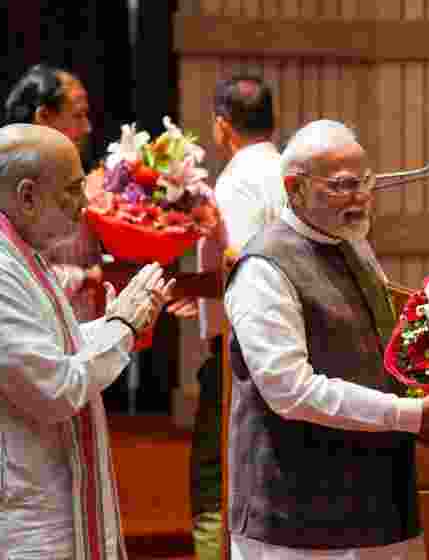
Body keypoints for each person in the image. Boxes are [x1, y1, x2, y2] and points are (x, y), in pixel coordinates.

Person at [224, 119, 429, 559]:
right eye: (341, 186)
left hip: (381, 500)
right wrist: (410, 413)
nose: (360, 197)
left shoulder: (351, 241)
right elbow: (290, 392)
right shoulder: (263, 267)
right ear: (294, 188)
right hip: (297, 514)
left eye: (364, 182)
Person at [0, 123, 172, 559]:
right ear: (27, 195)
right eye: (72, 190)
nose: (85, 203)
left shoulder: (20, 251)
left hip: (41, 494)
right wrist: (121, 330)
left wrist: (119, 323)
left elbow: (55, 348)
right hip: (26, 513)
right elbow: (55, 387)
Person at [166, 73, 287, 560]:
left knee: (216, 478)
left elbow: (242, 268)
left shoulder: (237, 178)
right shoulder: (287, 171)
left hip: (240, 354)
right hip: (282, 345)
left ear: (221, 126)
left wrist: (195, 287)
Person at [4, 64, 102, 322]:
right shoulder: (11, 182)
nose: (88, 127)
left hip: (84, 337)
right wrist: (88, 278)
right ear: (44, 117)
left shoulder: (73, 175)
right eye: (78, 116)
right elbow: (20, 272)